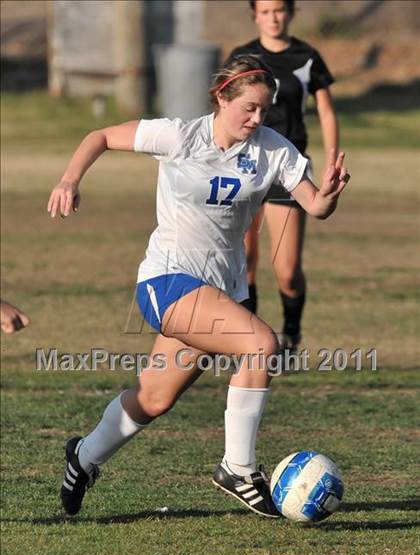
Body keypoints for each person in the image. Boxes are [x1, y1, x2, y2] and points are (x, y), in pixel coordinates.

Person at [47, 55, 349, 518]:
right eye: (248, 107)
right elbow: (101, 136)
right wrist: (70, 179)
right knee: (261, 345)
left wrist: (326, 196)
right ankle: (238, 467)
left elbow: (314, 205)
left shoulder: (274, 149)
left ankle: (82, 457)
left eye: (264, 109)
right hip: (167, 280)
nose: (257, 118)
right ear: (221, 97)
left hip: (221, 292)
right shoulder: (180, 135)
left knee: (154, 397)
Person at [229, 0, 339, 353]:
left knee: (287, 272)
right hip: (244, 165)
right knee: (243, 265)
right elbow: (226, 107)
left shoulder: (307, 57)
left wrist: (331, 160)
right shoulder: (242, 57)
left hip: (287, 169)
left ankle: (291, 334)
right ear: (254, 16)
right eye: (265, 11)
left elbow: (325, 110)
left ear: (290, 13)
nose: (273, 17)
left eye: (279, 10)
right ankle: (249, 344)